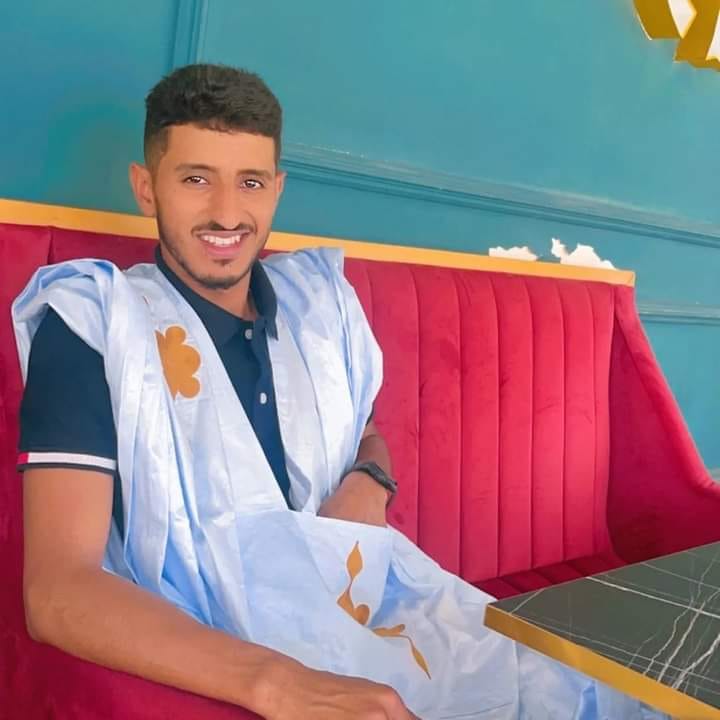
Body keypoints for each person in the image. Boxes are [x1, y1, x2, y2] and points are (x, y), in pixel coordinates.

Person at [14, 64, 668, 720]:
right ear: (146, 188)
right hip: (233, 639)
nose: (227, 213)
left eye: (250, 182)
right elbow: (58, 590)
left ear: (277, 189)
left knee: (599, 687)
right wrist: (279, 684)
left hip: (377, 602)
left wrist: (370, 481)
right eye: (196, 179)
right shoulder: (95, 324)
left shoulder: (317, 304)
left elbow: (366, 433)